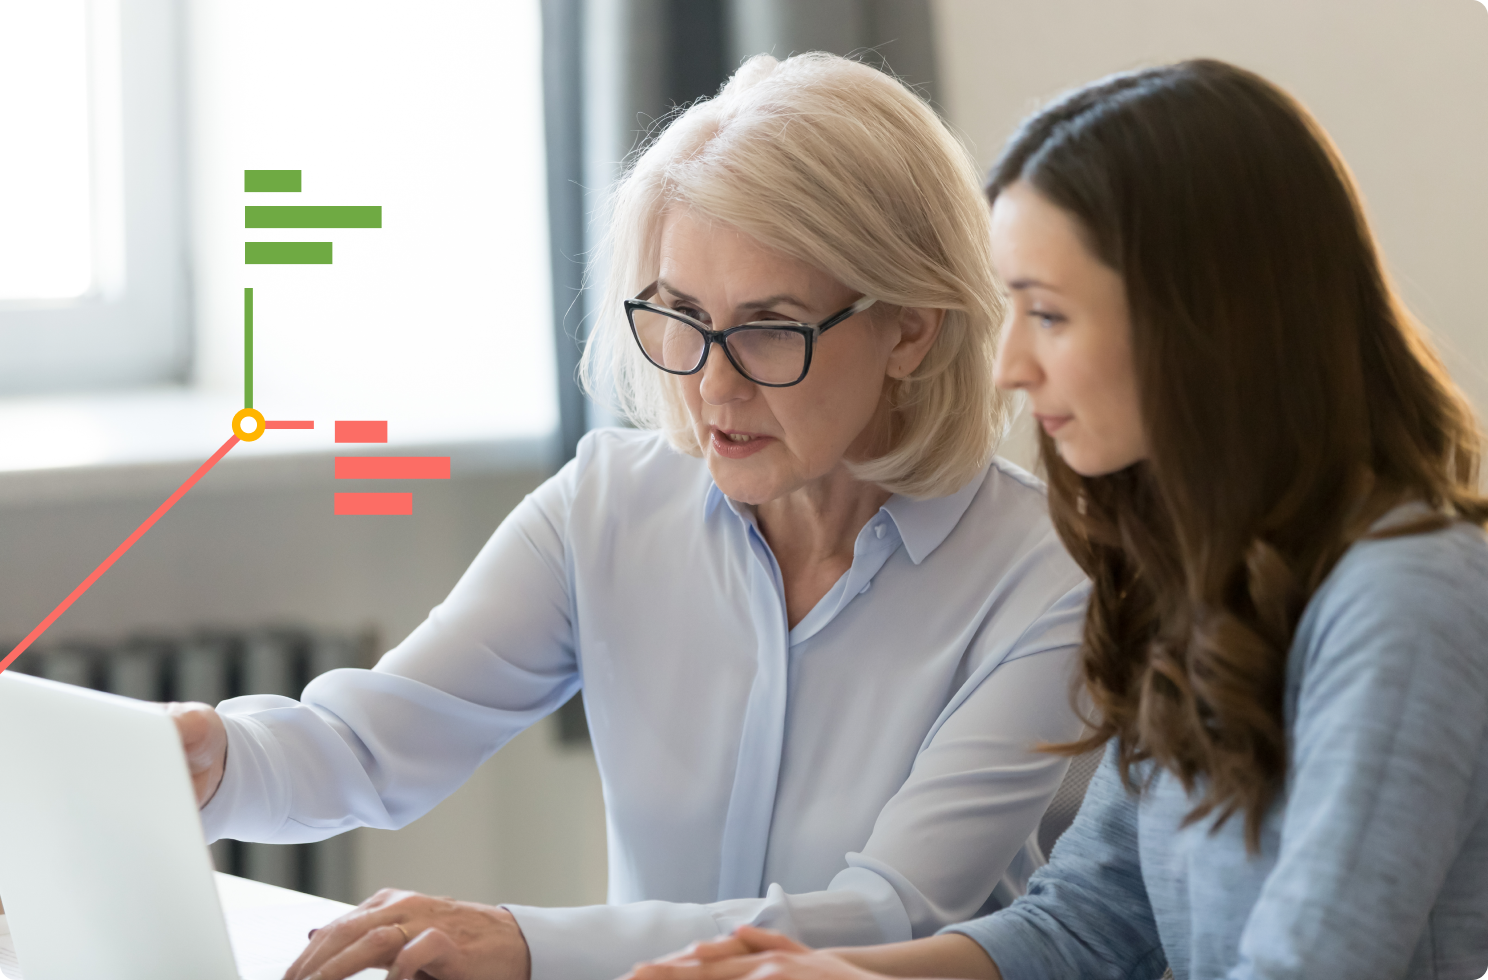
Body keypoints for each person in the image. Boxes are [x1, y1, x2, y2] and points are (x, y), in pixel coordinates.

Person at [167, 52, 1091, 980]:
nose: (712, 385)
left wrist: (528, 943)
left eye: (769, 326)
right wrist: (220, 760)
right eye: (681, 315)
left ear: (911, 327)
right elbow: (371, 744)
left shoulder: (1044, 578)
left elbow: (891, 910)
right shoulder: (607, 505)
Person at [627, 59, 1488, 980]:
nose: (1010, 367)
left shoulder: (1406, 597)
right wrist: (836, 976)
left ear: (1202, 323)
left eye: (1049, 314)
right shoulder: (1198, 585)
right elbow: (1089, 922)